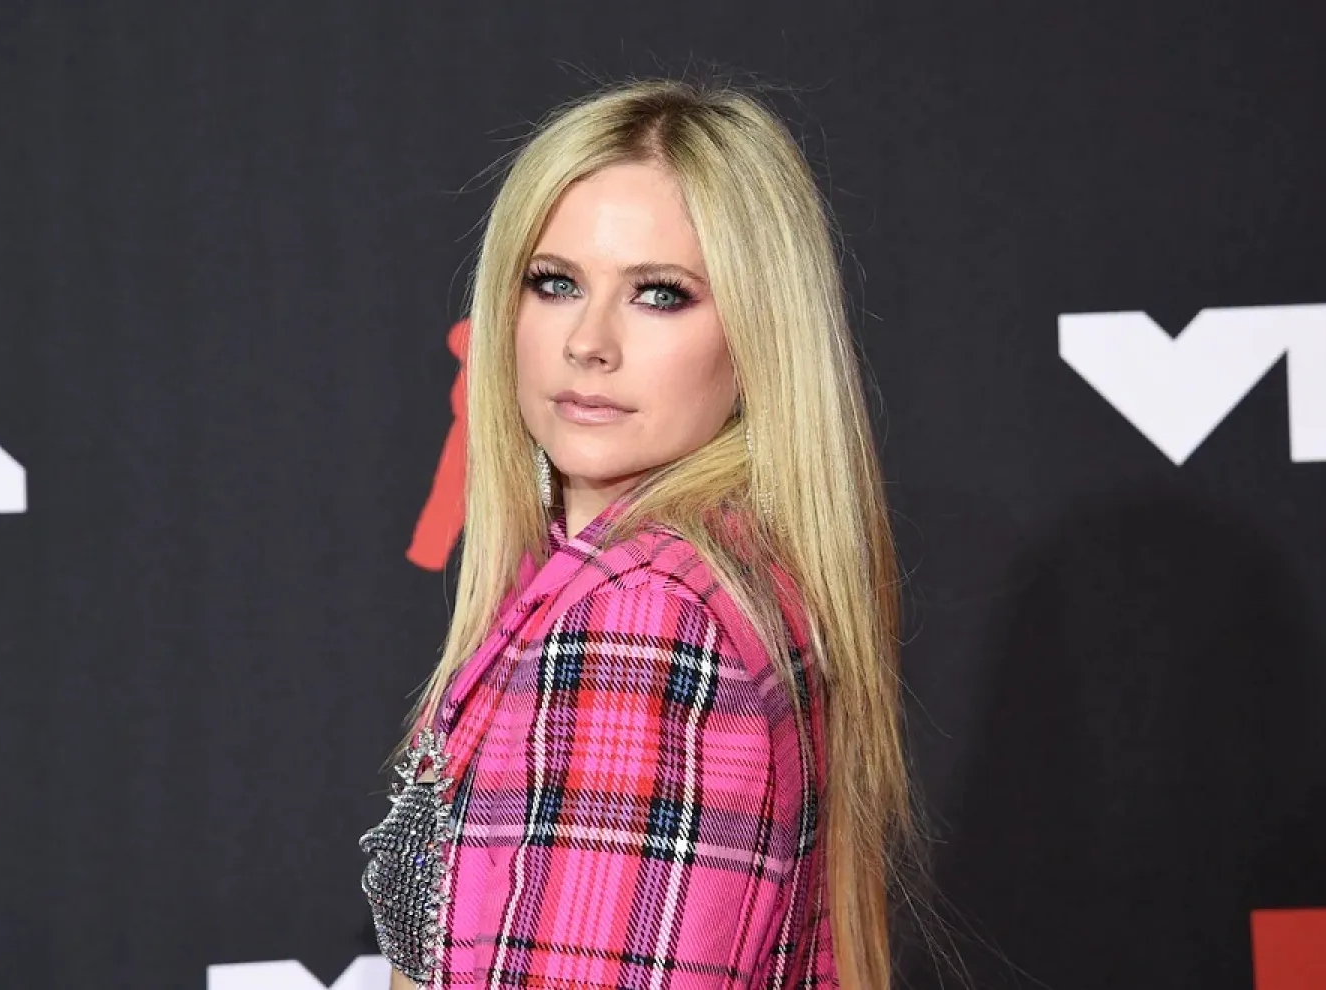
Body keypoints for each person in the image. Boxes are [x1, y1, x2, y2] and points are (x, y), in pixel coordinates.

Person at [360, 77, 916, 989]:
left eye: (660, 294)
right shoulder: (698, 577)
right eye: (554, 283)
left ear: (758, 335)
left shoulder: (641, 620)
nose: (589, 341)